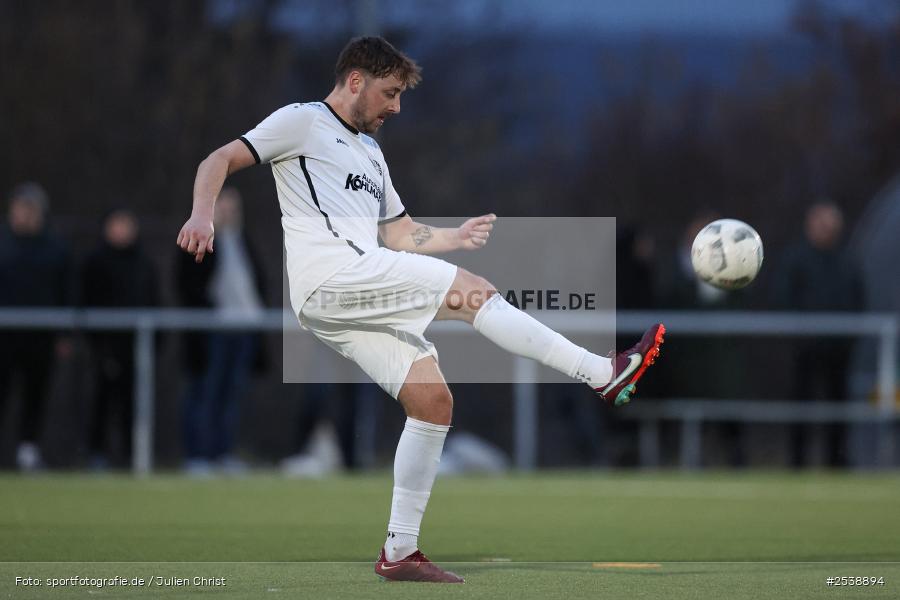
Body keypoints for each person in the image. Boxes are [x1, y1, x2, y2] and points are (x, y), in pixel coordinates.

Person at [176, 37, 664, 583]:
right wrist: (202, 215)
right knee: (473, 292)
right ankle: (601, 372)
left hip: (341, 293)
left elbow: (402, 234)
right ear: (355, 81)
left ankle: (400, 551)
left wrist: (455, 236)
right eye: (389, 93)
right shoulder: (302, 121)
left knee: (432, 403)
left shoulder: (371, 153)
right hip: (333, 277)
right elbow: (218, 159)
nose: (396, 107)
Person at [176, 187, 267, 475]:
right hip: (212, 332)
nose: (228, 214)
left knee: (231, 396)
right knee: (205, 393)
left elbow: (257, 285)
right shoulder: (197, 241)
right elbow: (188, 285)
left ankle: (222, 453)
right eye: (222, 208)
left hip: (243, 331)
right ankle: (198, 456)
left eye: (232, 209)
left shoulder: (244, 242)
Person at [775, 201, 863, 468]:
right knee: (801, 404)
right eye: (821, 223)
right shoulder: (796, 259)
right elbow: (783, 298)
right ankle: (797, 462)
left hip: (839, 349)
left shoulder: (848, 260)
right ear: (810, 226)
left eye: (831, 223)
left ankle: (837, 461)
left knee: (838, 406)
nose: (826, 229)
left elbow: (859, 300)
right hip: (805, 348)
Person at [81, 208, 159, 468]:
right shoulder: (95, 262)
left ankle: (132, 458)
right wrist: (99, 346)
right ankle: (96, 455)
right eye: (117, 224)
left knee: (133, 405)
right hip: (105, 347)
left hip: (137, 347)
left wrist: (157, 342)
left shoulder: (144, 262)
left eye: (127, 224)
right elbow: (85, 302)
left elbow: (154, 301)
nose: (122, 230)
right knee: (102, 402)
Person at [0, 182, 70, 471]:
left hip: (41, 335)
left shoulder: (55, 247)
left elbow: (66, 290)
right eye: (20, 208)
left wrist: (63, 333)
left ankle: (28, 452)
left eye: (30, 209)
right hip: (3, 335)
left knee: (36, 395)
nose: (24, 215)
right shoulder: (3, 242)